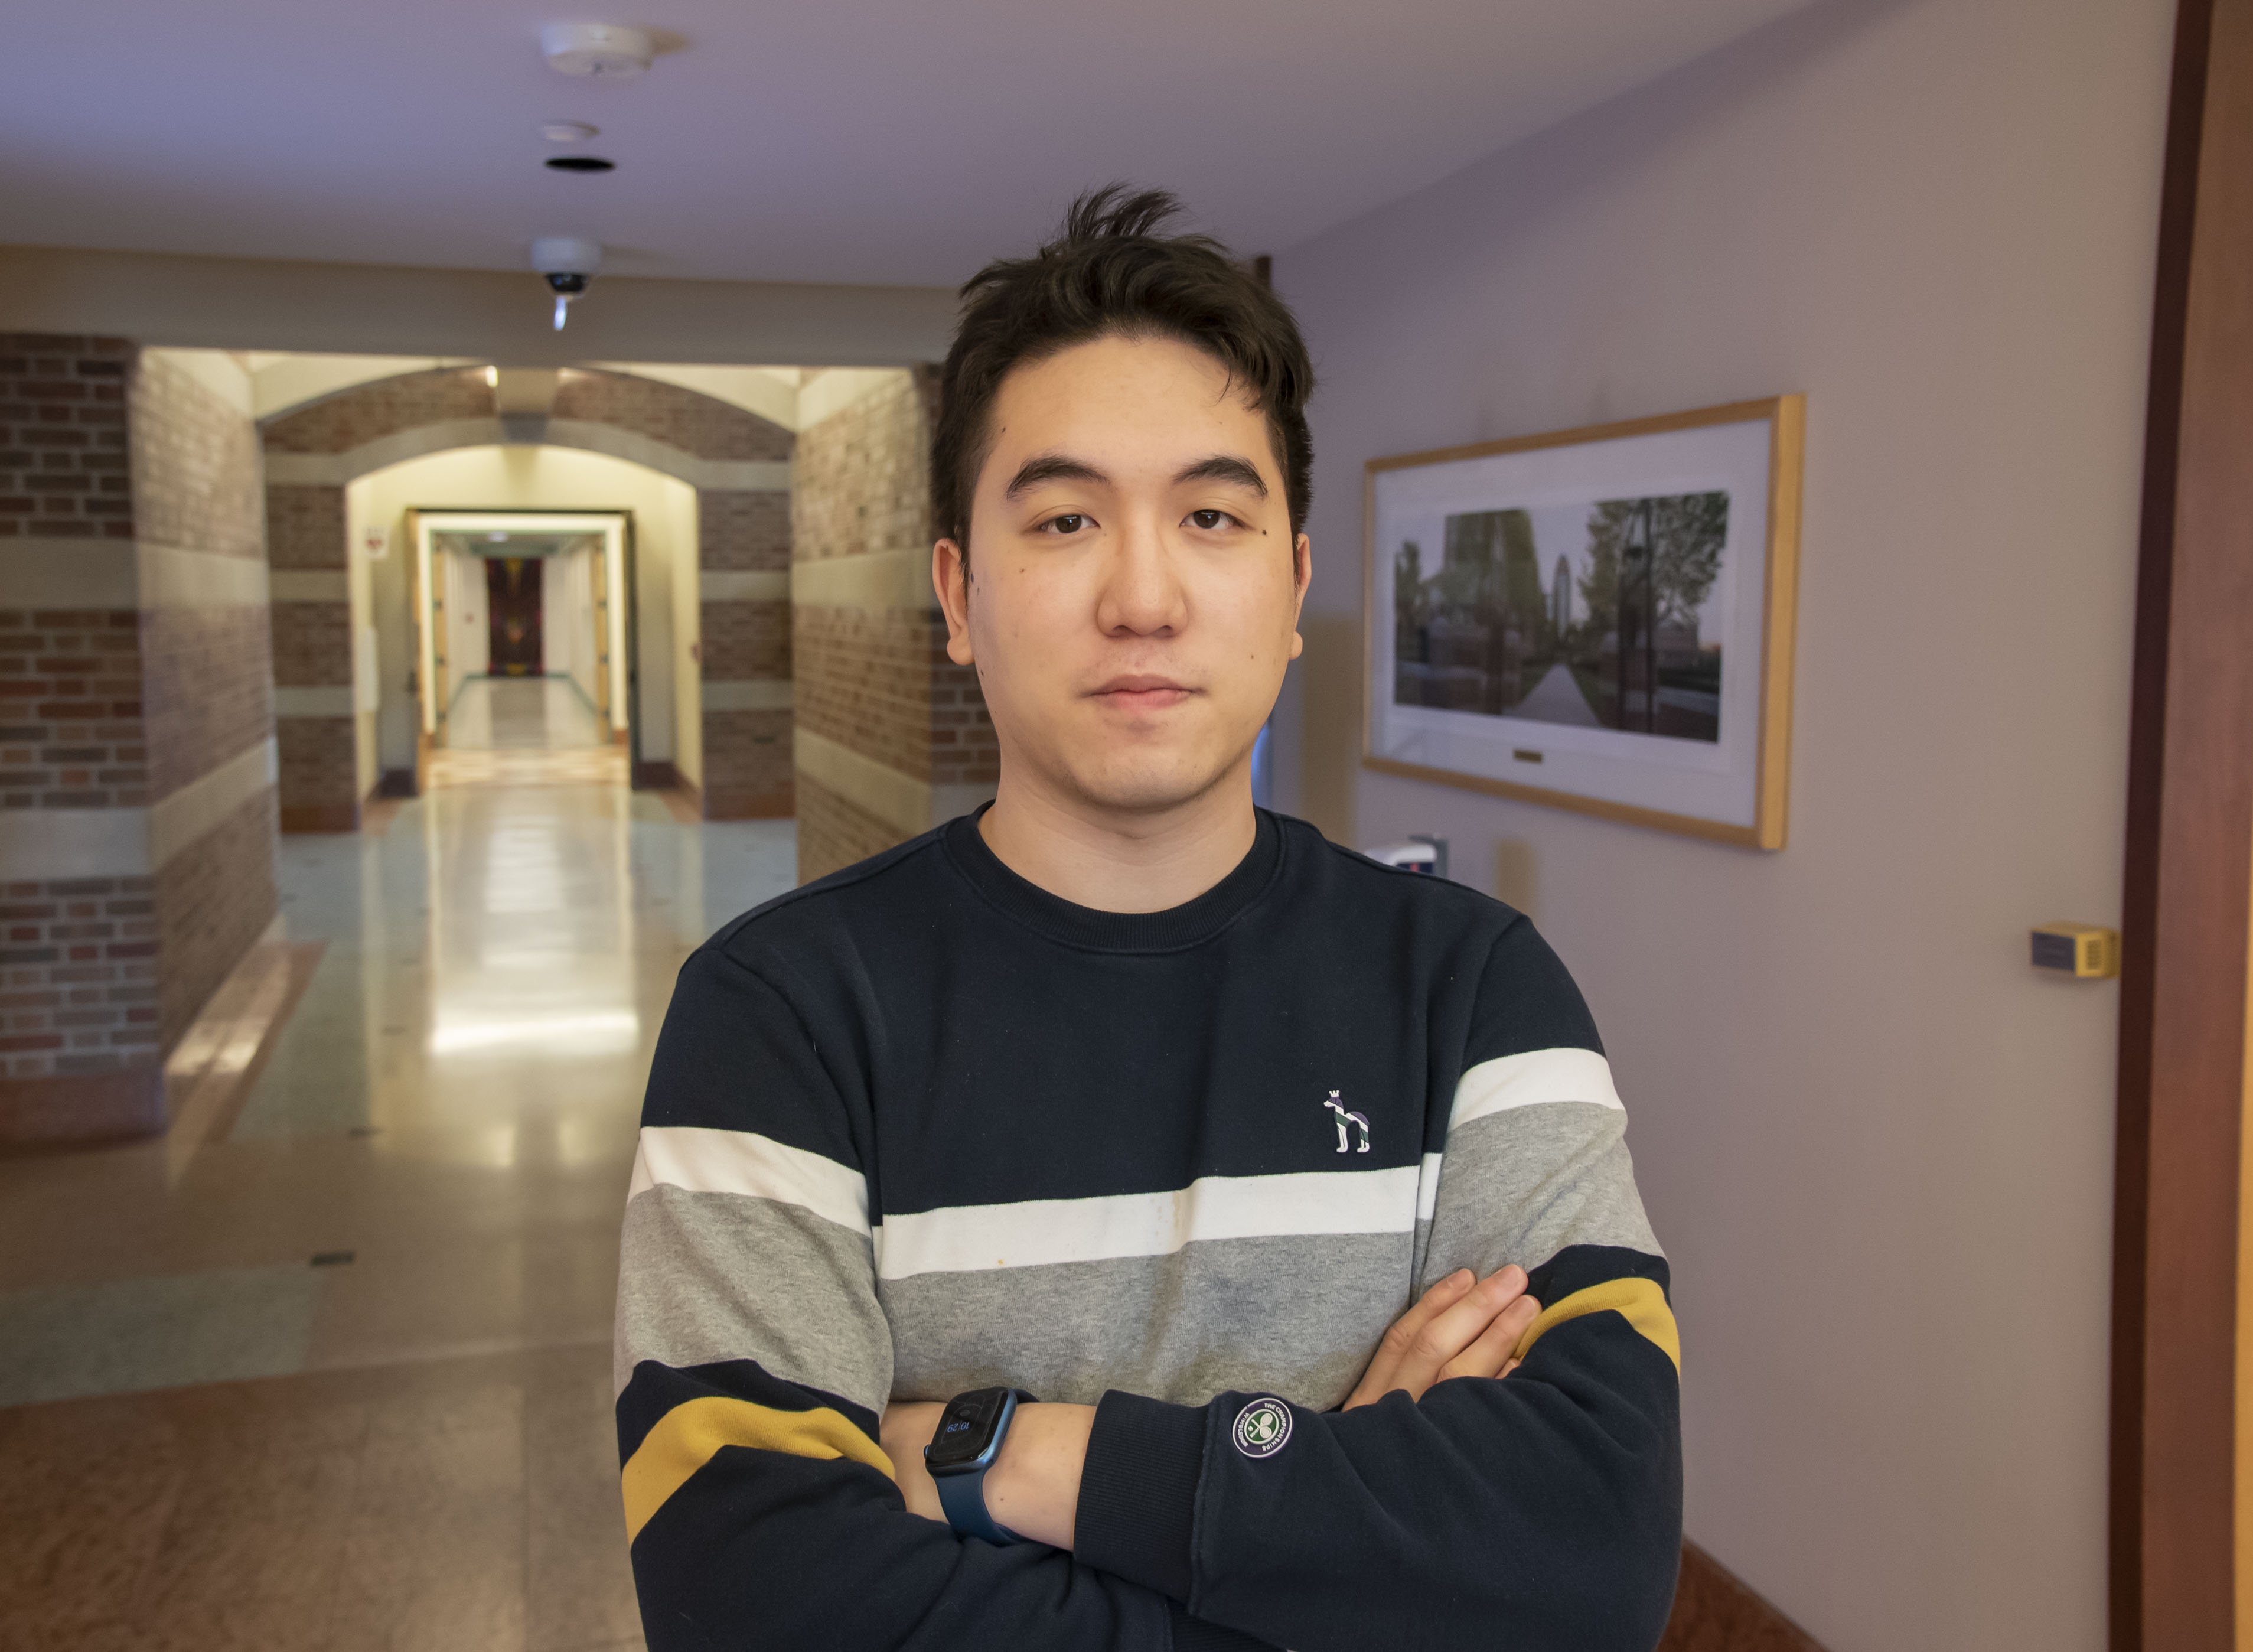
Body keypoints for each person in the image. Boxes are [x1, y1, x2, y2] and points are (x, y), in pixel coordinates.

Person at [614, 187, 1681, 1652]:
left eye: (1212, 515)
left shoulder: (1474, 991)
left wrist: (1011, 1455)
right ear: (959, 592)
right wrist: (1340, 1535)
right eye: (1063, 518)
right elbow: (757, 1602)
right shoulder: (785, 1013)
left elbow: (1590, 1561)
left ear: (1294, 582)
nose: (1143, 593)